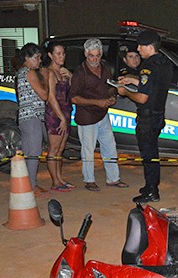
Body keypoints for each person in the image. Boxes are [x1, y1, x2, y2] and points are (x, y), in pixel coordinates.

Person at [117, 29, 172, 203]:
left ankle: (152, 191)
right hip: (158, 115)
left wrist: (125, 92)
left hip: (147, 118)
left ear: (150, 47)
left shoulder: (148, 67)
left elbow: (142, 97)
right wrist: (132, 80)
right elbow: (154, 85)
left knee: (148, 156)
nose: (138, 49)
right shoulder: (164, 63)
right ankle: (151, 186)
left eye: (141, 46)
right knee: (152, 154)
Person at [69, 37, 127, 191]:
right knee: (88, 150)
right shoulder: (80, 72)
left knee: (110, 146)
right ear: (85, 54)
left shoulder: (104, 67)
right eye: (91, 56)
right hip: (87, 117)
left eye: (97, 55)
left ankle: (113, 178)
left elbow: (109, 86)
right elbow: (74, 98)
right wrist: (97, 102)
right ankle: (89, 180)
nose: (94, 59)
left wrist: (112, 96)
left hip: (103, 114)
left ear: (101, 54)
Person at [15, 43, 48, 193]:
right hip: (32, 116)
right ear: (27, 58)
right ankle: (32, 185)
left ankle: (27, 184)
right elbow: (44, 95)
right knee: (34, 152)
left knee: (29, 152)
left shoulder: (20, 73)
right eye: (37, 57)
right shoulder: (30, 73)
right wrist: (46, 78)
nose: (39, 61)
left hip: (25, 117)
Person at [43, 40, 74, 192]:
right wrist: (61, 118)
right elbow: (51, 98)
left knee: (61, 149)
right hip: (55, 115)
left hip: (66, 113)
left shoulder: (63, 72)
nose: (62, 56)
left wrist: (70, 76)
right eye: (58, 54)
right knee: (54, 149)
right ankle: (55, 182)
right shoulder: (49, 73)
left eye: (63, 53)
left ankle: (60, 178)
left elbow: (74, 90)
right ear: (50, 55)